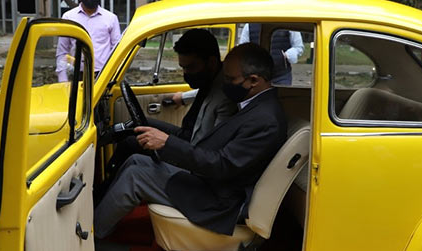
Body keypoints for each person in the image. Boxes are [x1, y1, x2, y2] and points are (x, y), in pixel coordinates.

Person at [94, 43, 287, 239]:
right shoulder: (255, 106)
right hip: (210, 183)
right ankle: (100, 214)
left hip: (219, 201)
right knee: (136, 160)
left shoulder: (265, 119)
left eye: (230, 79)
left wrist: (167, 143)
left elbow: (223, 165)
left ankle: (92, 236)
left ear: (253, 80)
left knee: (135, 176)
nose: (224, 84)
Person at [105, 28, 239, 177]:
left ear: (211, 62)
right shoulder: (212, 79)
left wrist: (169, 145)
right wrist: (183, 98)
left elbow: (209, 154)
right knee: (140, 125)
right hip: (186, 134)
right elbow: (204, 93)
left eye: (190, 67)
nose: (186, 74)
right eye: (183, 68)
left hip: (192, 152)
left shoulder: (226, 96)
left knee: (131, 143)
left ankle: (108, 181)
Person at [56, 0, 121, 82]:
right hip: (77, 76)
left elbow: (117, 50)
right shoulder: (68, 17)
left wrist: (114, 76)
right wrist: (62, 80)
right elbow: (62, 51)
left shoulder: (111, 18)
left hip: (103, 76)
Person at [238, 24, 304, 85]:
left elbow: (298, 47)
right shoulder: (249, 26)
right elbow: (242, 50)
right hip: (256, 76)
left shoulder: (289, 23)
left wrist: (287, 55)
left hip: (281, 75)